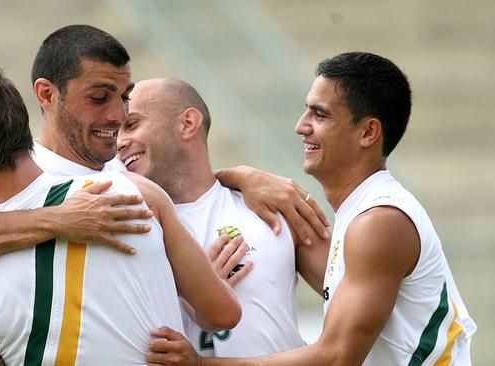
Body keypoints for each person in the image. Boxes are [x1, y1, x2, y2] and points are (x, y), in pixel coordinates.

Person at [0, 29, 241, 365]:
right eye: (99, 97)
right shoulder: (136, 194)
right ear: (44, 96)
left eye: (125, 97)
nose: (119, 114)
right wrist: (60, 219)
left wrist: (240, 177)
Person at [146, 52, 476, 366]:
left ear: (367, 132)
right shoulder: (363, 213)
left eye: (319, 114)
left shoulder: (380, 222)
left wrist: (203, 364)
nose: (301, 126)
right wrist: (235, 175)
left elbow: (335, 358)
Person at [116, 77, 329, 358]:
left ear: (188, 123)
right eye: (116, 131)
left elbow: (355, 303)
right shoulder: (125, 224)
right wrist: (200, 293)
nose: (119, 142)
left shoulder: (270, 207)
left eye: (131, 125)